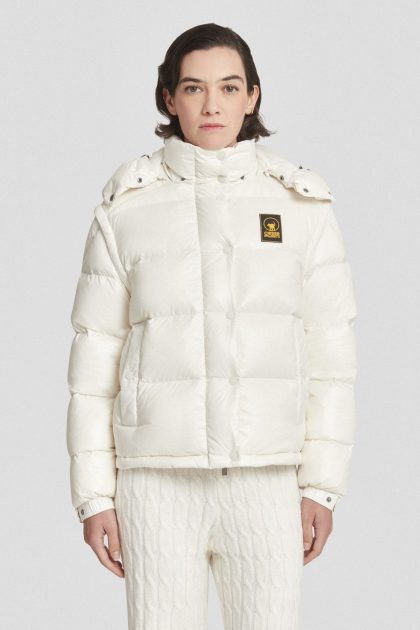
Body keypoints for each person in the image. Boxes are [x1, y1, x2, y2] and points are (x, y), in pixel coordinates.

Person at [66, 22, 357, 630]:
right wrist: (94, 496)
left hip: (267, 479)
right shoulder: (126, 209)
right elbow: (94, 363)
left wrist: (321, 486)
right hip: (155, 482)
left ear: (253, 96)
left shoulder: (300, 206)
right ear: (169, 98)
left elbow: (331, 356)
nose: (212, 105)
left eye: (228, 87)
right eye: (193, 88)